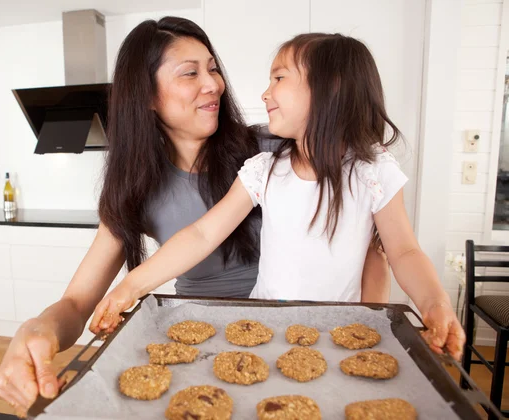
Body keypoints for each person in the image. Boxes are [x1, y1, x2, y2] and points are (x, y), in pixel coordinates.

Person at [0, 21, 390, 415]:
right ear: (146, 95)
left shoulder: (276, 150)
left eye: (213, 68)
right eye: (190, 73)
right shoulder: (134, 190)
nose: (214, 84)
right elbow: (78, 303)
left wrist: (364, 333)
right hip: (198, 351)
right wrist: (39, 328)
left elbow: (371, 243)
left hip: (299, 337)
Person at [91, 33, 465, 362]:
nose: (264, 93)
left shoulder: (373, 170)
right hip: (264, 330)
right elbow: (202, 235)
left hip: (337, 331)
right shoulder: (263, 169)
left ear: (328, 88)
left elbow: (403, 252)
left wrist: (434, 304)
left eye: (279, 78)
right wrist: (130, 286)